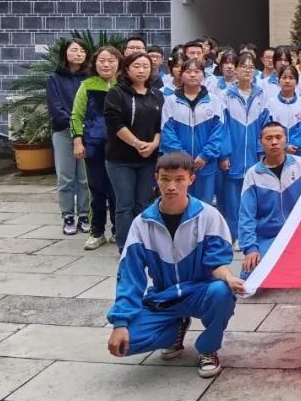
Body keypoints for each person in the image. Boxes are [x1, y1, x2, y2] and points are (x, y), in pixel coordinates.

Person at [106, 151, 243, 379]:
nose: (172, 186)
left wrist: (228, 277)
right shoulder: (142, 224)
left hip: (200, 292)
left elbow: (216, 263)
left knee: (222, 292)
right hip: (164, 297)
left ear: (191, 179)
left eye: (179, 179)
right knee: (125, 344)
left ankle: (208, 348)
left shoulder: (209, 216)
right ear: (156, 179)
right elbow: (130, 276)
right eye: (165, 179)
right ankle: (175, 329)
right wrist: (120, 322)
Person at [104, 51, 164, 252]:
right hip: (120, 159)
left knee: (144, 203)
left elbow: (162, 125)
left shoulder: (157, 95)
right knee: (125, 204)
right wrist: (137, 144)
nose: (141, 70)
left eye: (145, 66)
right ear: (127, 69)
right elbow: (115, 123)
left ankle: (144, 243)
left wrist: (154, 144)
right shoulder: (116, 93)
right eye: (136, 66)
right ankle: (126, 246)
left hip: (148, 159)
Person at [239, 122, 301, 277]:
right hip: (269, 237)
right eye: (268, 138)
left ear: (285, 139)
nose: (274, 142)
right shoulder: (253, 174)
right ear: (260, 142)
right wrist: (250, 248)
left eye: (278, 137)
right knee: (250, 274)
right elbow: (246, 216)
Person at [71, 45, 122, 250]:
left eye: (111, 60)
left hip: (120, 146)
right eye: (102, 60)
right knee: (96, 189)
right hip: (93, 145)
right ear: (95, 63)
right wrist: (77, 141)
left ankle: (119, 231)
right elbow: (76, 115)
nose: (106, 64)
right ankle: (97, 232)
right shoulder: (87, 85)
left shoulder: (124, 85)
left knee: (118, 190)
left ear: (119, 63)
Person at [160, 58, 228, 206]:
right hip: (179, 165)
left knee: (204, 206)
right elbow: (167, 132)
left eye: (197, 71)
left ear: (203, 75)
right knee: (179, 204)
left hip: (206, 164)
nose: (192, 75)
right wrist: (182, 157)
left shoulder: (214, 101)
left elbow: (218, 133)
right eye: (188, 71)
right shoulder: (170, 101)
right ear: (181, 75)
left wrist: (205, 155)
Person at [219, 52, 268, 247]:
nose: (247, 70)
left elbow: (265, 126)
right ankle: (235, 235)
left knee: (253, 197)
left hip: (254, 156)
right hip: (234, 155)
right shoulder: (226, 95)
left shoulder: (261, 95)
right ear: (236, 70)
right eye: (243, 66)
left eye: (251, 67)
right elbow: (222, 128)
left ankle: (251, 235)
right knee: (232, 200)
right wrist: (225, 154)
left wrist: (262, 151)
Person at [48, 39, 90, 236]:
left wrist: (84, 126)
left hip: (87, 132)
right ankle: (68, 215)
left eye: (82, 51)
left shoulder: (90, 78)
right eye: (74, 50)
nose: (78, 54)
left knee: (84, 177)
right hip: (64, 132)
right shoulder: (54, 78)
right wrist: (75, 124)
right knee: (65, 176)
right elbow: (55, 108)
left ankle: (84, 214)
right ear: (65, 53)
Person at [264, 65, 301, 155]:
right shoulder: (270, 103)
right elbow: (268, 128)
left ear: (297, 82)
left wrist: (294, 145)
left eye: (291, 78)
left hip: (298, 152)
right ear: (278, 81)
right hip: (275, 150)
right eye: (284, 77)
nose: (287, 81)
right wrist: (284, 146)